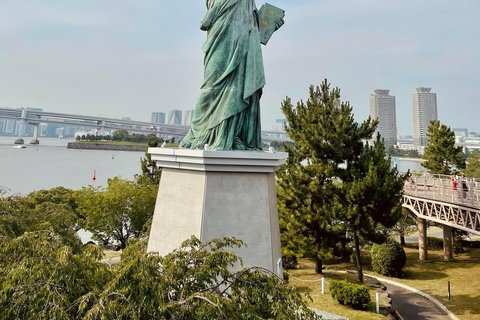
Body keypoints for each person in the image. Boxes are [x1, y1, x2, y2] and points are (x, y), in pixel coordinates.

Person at [180, 0, 284, 151]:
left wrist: (268, 26)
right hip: (221, 30)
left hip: (246, 35)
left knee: (240, 85)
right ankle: (199, 134)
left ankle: (233, 134)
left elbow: (250, 18)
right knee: (212, 85)